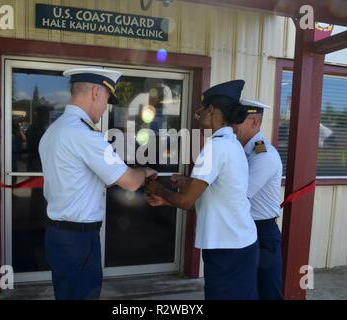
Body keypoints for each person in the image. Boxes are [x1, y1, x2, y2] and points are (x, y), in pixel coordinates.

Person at [39, 67, 157, 300]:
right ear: (95, 92)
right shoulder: (85, 135)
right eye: (106, 99)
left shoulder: (54, 130)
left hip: (58, 235)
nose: (105, 108)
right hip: (79, 241)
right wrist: (145, 171)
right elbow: (131, 183)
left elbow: (78, 179)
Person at [145, 80, 259, 300]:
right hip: (237, 243)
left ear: (211, 110)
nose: (198, 117)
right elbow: (219, 191)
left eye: (200, 112)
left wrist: (158, 187)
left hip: (227, 247)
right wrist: (183, 188)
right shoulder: (231, 143)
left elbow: (187, 201)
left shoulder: (215, 147)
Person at [232, 99, 283, 300]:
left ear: (254, 122)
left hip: (262, 232)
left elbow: (239, 194)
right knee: (245, 290)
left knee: (267, 290)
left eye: (238, 120)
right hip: (244, 229)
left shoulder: (264, 154)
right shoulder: (240, 151)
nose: (233, 125)